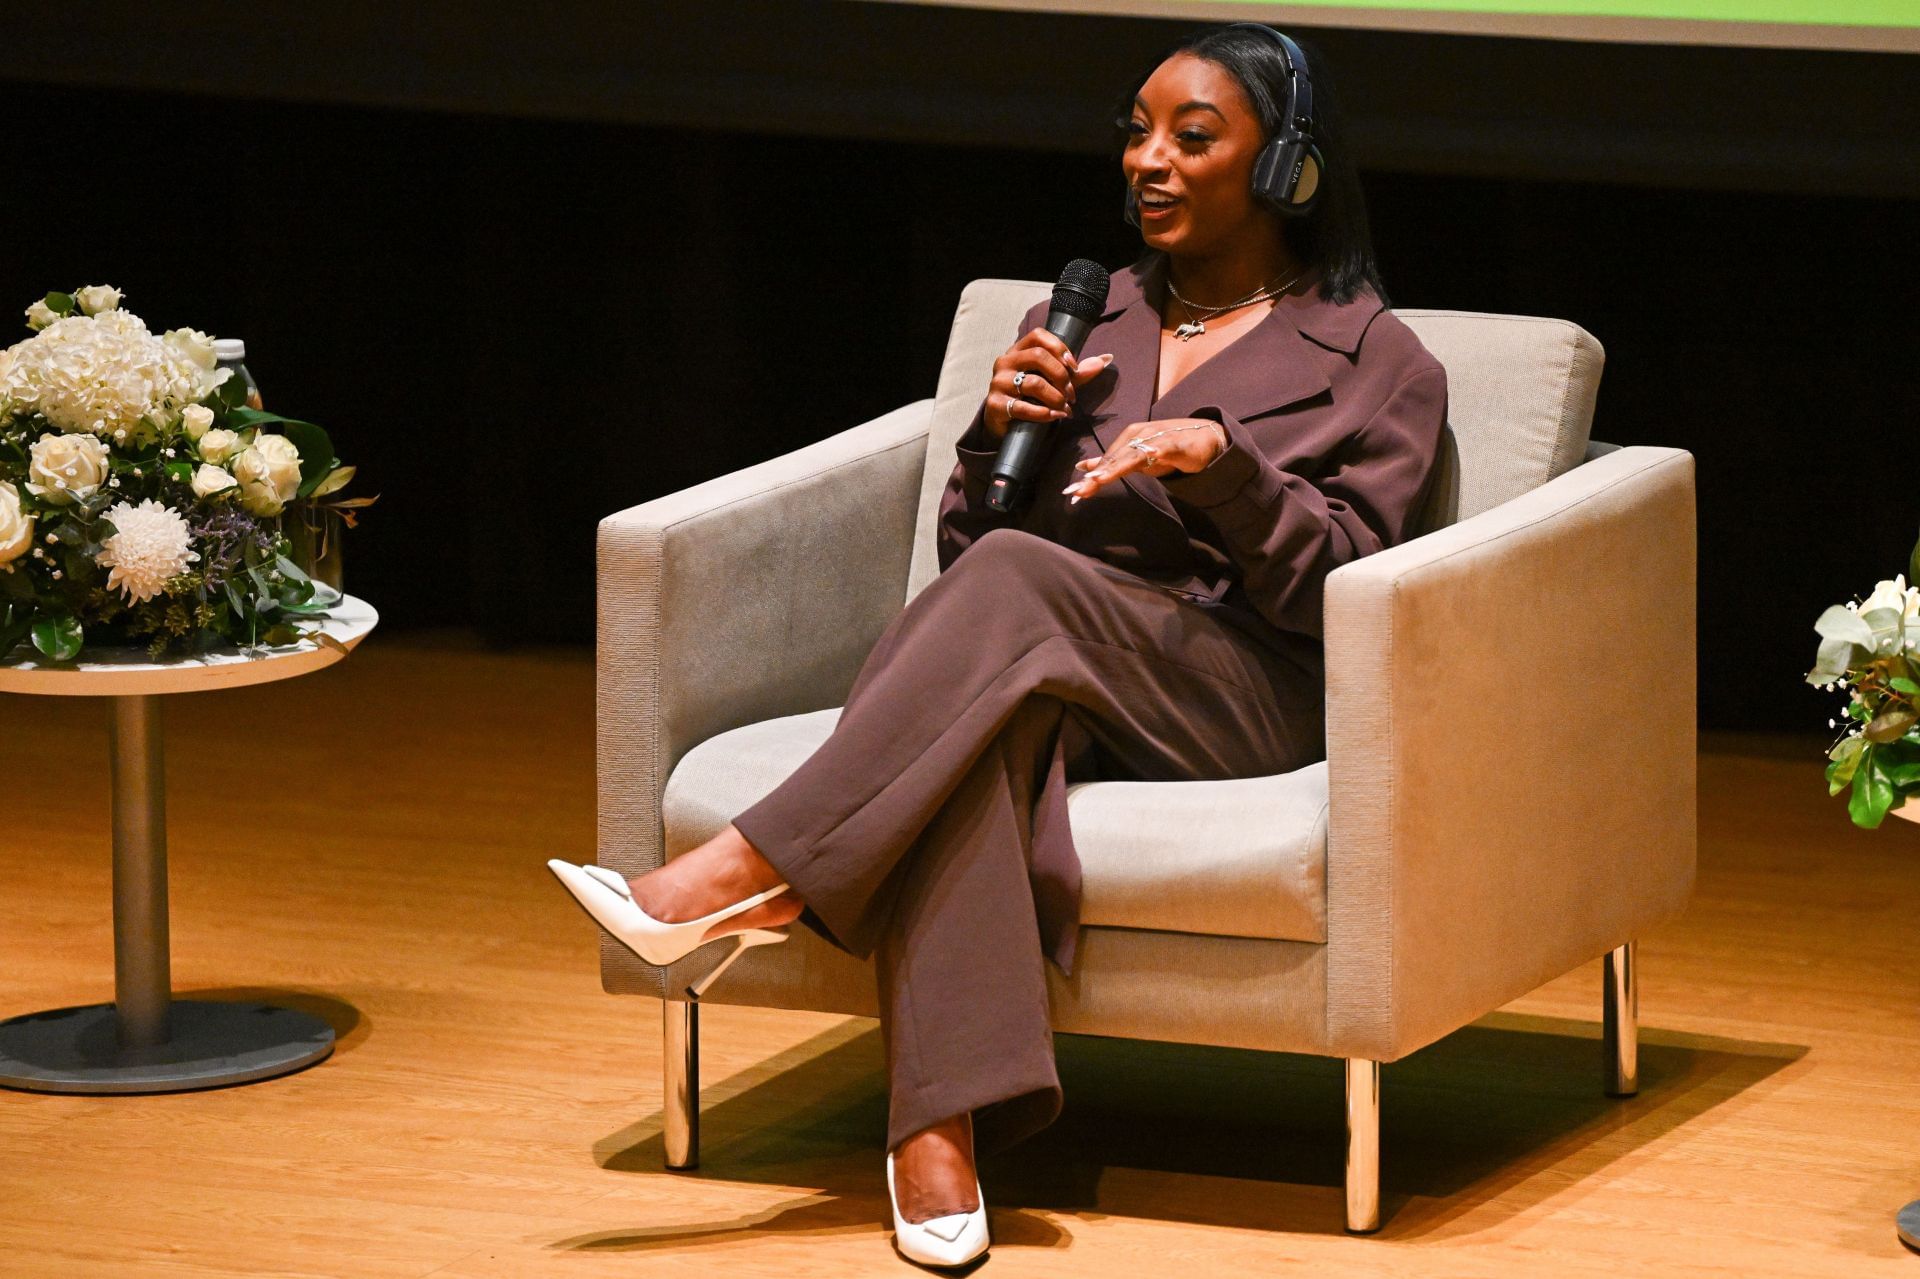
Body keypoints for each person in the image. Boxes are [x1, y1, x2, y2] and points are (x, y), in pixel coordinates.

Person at [548, 22, 1447, 1270]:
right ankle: (938, 1138)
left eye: (1195, 137)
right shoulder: (1089, 318)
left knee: (1027, 593)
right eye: (1137, 132)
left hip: (1245, 685)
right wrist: (990, 437)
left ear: (1287, 166)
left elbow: (1353, 585)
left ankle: (752, 868)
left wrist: (1227, 472)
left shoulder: (1377, 358)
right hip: (1055, 662)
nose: (1151, 161)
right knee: (975, 732)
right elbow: (976, 557)